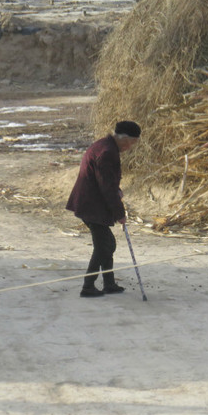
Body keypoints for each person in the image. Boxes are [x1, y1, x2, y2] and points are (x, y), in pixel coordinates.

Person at [66, 120, 141, 297]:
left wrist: (117, 189)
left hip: (91, 202)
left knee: (107, 244)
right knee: (104, 246)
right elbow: (106, 187)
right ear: (123, 138)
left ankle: (109, 283)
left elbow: (107, 181)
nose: (130, 147)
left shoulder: (105, 145)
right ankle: (88, 286)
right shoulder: (107, 152)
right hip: (92, 204)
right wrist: (120, 213)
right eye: (131, 143)